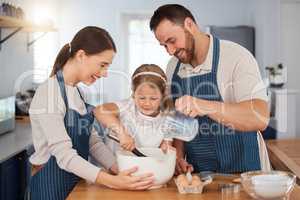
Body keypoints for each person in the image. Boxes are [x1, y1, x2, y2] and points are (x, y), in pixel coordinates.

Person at [28, 26, 154, 200]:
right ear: (81, 55)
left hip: (75, 185)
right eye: (102, 65)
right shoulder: (49, 93)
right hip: (50, 188)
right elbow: (64, 156)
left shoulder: (79, 92)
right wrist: (113, 181)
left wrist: (117, 168)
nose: (105, 73)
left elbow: (93, 142)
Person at [149, 4, 271, 174]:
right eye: (164, 45)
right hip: (201, 174)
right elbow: (178, 117)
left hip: (245, 170)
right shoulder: (173, 67)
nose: (170, 51)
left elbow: (260, 118)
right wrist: (177, 154)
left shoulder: (236, 56)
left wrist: (205, 106)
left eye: (172, 41)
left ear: (189, 25)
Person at [93, 64, 175, 153]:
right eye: (142, 98)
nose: (147, 103)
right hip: (116, 164)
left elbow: (166, 146)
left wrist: (167, 150)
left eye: (153, 98)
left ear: (163, 95)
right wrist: (122, 133)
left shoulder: (168, 116)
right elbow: (99, 111)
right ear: (133, 93)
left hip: (146, 165)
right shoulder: (127, 106)